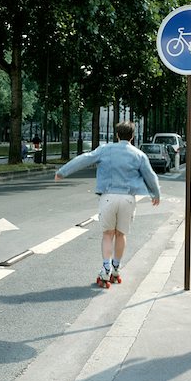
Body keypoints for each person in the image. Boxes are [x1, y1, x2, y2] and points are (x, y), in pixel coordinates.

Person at [55, 121, 160, 287]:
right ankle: (116, 268)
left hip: (108, 197)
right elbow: (150, 176)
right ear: (132, 136)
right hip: (128, 199)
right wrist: (156, 194)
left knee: (107, 234)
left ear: (117, 135)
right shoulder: (138, 154)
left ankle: (105, 269)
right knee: (121, 234)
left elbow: (84, 159)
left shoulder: (105, 150)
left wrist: (62, 172)